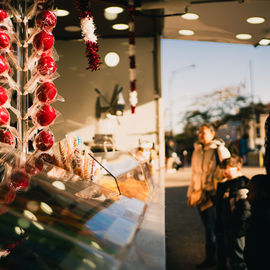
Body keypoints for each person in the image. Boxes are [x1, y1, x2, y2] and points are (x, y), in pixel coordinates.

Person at [187, 123, 231, 269]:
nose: (200, 135)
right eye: (199, 132)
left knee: (215, 229)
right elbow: (194, 174)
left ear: (212, 134)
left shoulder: (220, 149)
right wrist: (190, 194)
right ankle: (212, 259)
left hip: (214, 196)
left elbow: (229, 172)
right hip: (200, 196)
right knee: (208, 228)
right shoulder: (197, 150)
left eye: (203, 132)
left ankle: (220, 262)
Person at [215, 155, 250, 270]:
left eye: (228, 169)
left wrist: (237, 227)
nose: (225, 172)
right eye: (223, 169)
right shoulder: (225, 184)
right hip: (224, 227)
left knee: (238, 259)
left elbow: (245, 210)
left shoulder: (242, 185)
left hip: (237, 230)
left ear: (238, 169)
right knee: (223, 256)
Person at [244, 174, 270, 270]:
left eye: (251, 191)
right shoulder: (256, 212)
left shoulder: (262, 216)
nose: (247, 195)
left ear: (263, 193)